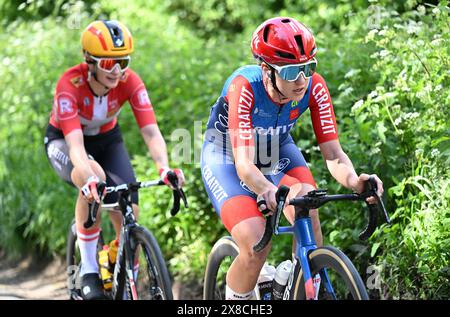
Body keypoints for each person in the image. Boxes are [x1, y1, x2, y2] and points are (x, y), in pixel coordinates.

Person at [200, 16, 384, 300]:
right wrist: (266, 189)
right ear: (266, 70)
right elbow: (245, 164)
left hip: (276, 147)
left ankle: (298, 285)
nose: (302, 80)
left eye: (308, 68)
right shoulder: (244, 86)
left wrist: (354, 180)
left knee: (308, 204)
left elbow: (334, 154)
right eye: (290, 72)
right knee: (255, 245)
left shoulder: (314, 86)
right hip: (227, 153)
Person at [44, 20, 185, 300]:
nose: (118, 71)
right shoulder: (69, 85)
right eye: (109, 64)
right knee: (92, 177)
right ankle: (88, 269)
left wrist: (165, 168)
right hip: (66, 141)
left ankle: (122, 268)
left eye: (123, 62)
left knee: (128, 206)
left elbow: (150, 130)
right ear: (90, 61)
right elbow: (75, 146)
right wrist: (90, 180)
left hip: (108, 140)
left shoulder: (129, 81)